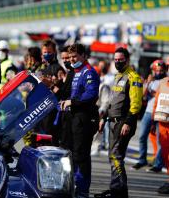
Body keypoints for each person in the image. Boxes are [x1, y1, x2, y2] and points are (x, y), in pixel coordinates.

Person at [96, 47, 143, 198]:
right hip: (112, 121)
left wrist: (128, 122)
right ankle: (117, 189)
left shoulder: (133, 77)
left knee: (116, 156)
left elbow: (136, 103)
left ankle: (119, 191)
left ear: (127, 60)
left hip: (123, 122)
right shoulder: (118, 76)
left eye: (120, 60)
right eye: (115, 60)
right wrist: (104, 118)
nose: (117, 62)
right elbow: (111, 101)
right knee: (113, 156)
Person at [60, 43, 100, 198]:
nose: (71, 59)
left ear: (83, 55)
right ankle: (73, 186)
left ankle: (82, 190)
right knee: (70, 153)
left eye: (75, 56)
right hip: (73, 118)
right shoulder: (76, 71)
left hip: (84, 118)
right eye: (70, 57)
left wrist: (72, 102)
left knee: (80, 156)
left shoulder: (89, 72)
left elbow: (91, 95)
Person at [132, 59, 165, 172]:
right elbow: (143, 95)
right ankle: (142, 160)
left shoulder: (165, 81)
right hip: (148, 111)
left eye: (161, 70)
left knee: (160, 140)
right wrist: (148, 83)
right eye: (157, 70)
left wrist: (153, 92)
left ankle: (158, 164)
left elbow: (161, 95)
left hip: (160, 113)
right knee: (142, 136)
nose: (159, 72)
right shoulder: (151, 80)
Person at [151, 67, 169, 194]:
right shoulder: (162, 83)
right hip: (162, 124)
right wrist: (153, 120)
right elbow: (156, 102)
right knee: (166, 155)